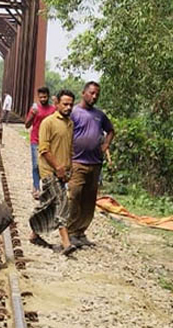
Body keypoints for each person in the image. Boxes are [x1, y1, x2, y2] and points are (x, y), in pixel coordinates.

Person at [66, 81, 115, 246]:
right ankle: (70, 231)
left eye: (97, 94)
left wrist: (106, 144)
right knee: (74, 196)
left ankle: (81, 232)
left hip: (95, 164)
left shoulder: (100, 115)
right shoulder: (74, 113)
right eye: (92, 93)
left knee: (89, 200)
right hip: (77, 162)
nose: (94, 97)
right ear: (83, 93)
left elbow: (111, 130)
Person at [29, 90, 77, 256]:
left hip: (63, 171)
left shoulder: (70, 124)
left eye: (71, 104)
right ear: (56, 104)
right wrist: (58, 168)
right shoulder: (48, 123)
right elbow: (43, 149)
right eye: (65, 104)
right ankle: (66, 243)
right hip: (50, 171)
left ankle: (34, 234)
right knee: (61, 202)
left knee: (48, 204)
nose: (68, 107)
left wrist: (69, 168)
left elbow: (69, 148)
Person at [24, 87, 55, 199]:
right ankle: (36, 188)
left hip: (48, 141)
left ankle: (47, 188)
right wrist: (32, 115)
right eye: (41, 97)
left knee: (48, 166)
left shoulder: (53, 110)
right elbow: (26, 125)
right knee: (36, 165)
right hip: (35, 140)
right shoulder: (35, 108)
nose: (43, 99)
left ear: (48, 96)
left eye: (45, 97)